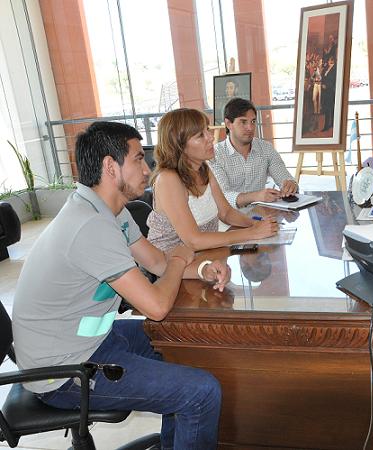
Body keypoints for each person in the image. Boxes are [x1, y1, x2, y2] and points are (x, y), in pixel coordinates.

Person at [11, 121, 230, 449]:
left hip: (92, 341)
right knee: (200, 392)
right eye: (139, 159)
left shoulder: (109, 212)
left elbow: (156, 262)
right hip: (64, 372)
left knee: (185, 346)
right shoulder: (90, 226)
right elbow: (156, 306)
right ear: (110, 166)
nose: (147, 168)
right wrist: (178, 261)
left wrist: (200, 268)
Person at [147, 108, 278, 252]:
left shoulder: (204, 168)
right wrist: (251, 233)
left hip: (205, 255)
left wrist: (256, 224)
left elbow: (226, 213)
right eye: (200, 135)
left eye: (207, 130)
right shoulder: (168, 179)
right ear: (179, 144)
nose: (210, 137)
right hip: (171, 264)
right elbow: (193, 241)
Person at [210, 98, 298, 208]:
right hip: (230, 220)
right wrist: (255, 196)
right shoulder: (215, 154)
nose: (250, 128)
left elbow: (284, 177)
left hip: (261, 215)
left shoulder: (266, 148)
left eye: (253, 121)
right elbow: (223, 196)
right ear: (228, 124)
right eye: (243, 122)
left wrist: (290, 185)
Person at [321, 55, 337, 132]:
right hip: (326, 92)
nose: (328, 62)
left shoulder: (335, 69)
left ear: (332, 60)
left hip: (331, 91)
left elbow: (333, 81)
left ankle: (328, 125)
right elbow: (324, 78)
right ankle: (330, 124)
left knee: (330, 108)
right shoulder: (327, 68)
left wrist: (326, 86)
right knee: (328, 108)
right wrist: (323, 84)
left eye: (329, 60)